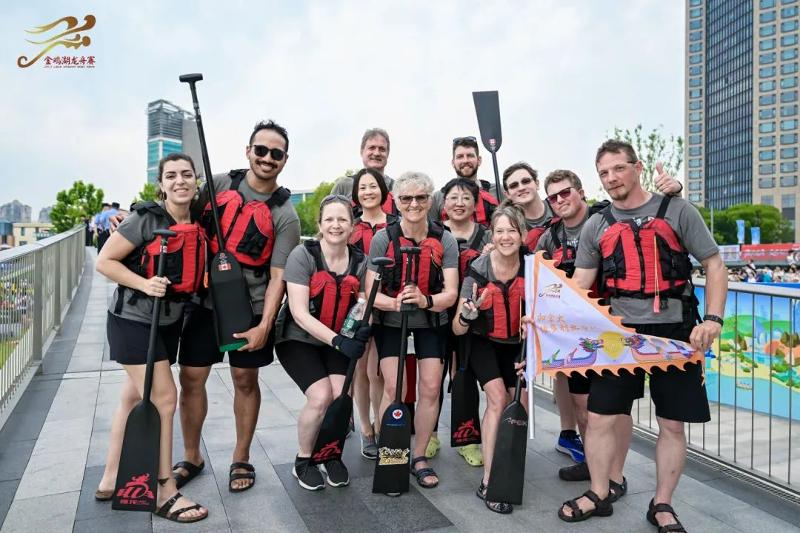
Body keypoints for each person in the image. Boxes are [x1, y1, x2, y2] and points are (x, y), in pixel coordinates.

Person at [559, 140, 726, 531]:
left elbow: (714, 264)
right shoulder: (597, 224)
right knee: (600, 418)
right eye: (604, 172)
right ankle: (599, 492)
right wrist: (545, 317)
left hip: (676, 333)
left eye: (619, 168)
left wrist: (714, 320)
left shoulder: (678, 210)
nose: (611, 178)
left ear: (637, 168)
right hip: (620, 335)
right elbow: (580, 283)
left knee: (672, 424)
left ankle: (662, 503)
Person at [174, 120, 301, 493]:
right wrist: (137, 217)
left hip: (250, 308)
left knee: (245, 380)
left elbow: (279, 276)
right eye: (261, 150)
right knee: (191, 378)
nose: (267, 158)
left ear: (284, 160)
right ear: (248, 151)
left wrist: (265, 325)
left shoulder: (286, 214)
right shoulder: (218, 185)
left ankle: (241, 456)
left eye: (276, 154)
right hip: (203, 300)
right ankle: (192, 456)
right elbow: (179, 215)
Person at [536, 169, 683, 483]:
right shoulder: (550, 237)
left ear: (580, 192)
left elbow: (649, 214)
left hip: (614, 328)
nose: (560, 200)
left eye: (565, 192)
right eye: (553, 197)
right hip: (576, 334)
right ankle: (593, 464)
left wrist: (675, 191)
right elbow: (543, 282)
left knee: (615, 409)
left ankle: (615, 475)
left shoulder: (605, 218)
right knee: (582, 404)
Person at [94, 153, 208, 523]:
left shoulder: (198, 220)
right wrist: (145, 284)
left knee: (132, 397)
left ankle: (111, 479)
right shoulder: (145, 218)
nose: (180, 181)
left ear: (196, 181)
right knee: (164, 397)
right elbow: (105, 261)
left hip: (168, 322)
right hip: (132, 321)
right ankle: (164, 492)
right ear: (161, 184)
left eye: (186, 174)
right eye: (171, 176)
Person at [365, 171, 459, 491]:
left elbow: (451, 293)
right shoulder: (383, 239)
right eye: (406, 198)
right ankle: (391, 453)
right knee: (395, 388)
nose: (414, 204)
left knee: (430, 388)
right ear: (396, 202)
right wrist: (396, 303)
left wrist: (424, 300)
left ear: (430, 201)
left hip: (431, 321)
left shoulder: (444, 239)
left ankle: (419, 456)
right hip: (392, 322)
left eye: (421, 197)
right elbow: (371, 294)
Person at [274, 195, 371, 490]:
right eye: (329, 219)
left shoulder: (360, 261)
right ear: (319, 224)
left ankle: (330, 455)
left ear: (352, 226)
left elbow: (362, 303)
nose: (335, 225)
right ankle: (304, 459)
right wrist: (339, 341)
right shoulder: (302, 256)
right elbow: (299, 313)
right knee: (320, 396)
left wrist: (363, 328)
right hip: (298, 338)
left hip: (338, 340)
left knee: (341, 396)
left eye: (342, 219)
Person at [452, 201, 528, 514]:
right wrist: (467, 315)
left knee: (519, 403)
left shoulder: (534, 267)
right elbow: (457, 328)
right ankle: (489, 480)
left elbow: (550, 315)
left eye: (512, 230)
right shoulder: (478, 269)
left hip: (517, 345)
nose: (506, 237)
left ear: (523, 234)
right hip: (482, 342)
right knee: (497, 399)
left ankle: (509, 467)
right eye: (499, 231)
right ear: (492, 236)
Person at [434, 177, 490, 466]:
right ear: (444, 203)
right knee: (432, 378)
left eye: (466, 197)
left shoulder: (488, 236)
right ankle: (429, 433)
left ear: (475, 203)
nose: (459, 203)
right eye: (453, 198)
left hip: (473, 319)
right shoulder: (434, 233)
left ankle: (467, 438)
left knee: (464, 376)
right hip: (437, 315)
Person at [349, 167, 392, 459]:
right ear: (356, 193)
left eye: (373, 186)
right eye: (362, 187)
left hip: (387, 306)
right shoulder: (351, 227)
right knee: (361, 370)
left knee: (378, 372)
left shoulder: (395, 225)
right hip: (358, 305)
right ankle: (366, 428)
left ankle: (381, 425)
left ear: (382, 191)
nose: (368, 192)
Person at [430, 137, 499, 226]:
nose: (465, 160)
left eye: (470, 156)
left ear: (479, 160)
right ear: (453, 163)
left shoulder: (497, 190)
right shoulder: (438, 197)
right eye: (460, 157)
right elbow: (430, 229)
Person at [331, 128, 396, 216]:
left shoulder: (397, 188)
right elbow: (329, 218)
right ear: (362, 151)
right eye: (372, 148)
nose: (377, 153)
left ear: (388, 154)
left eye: (382, 149)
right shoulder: (344, 186)